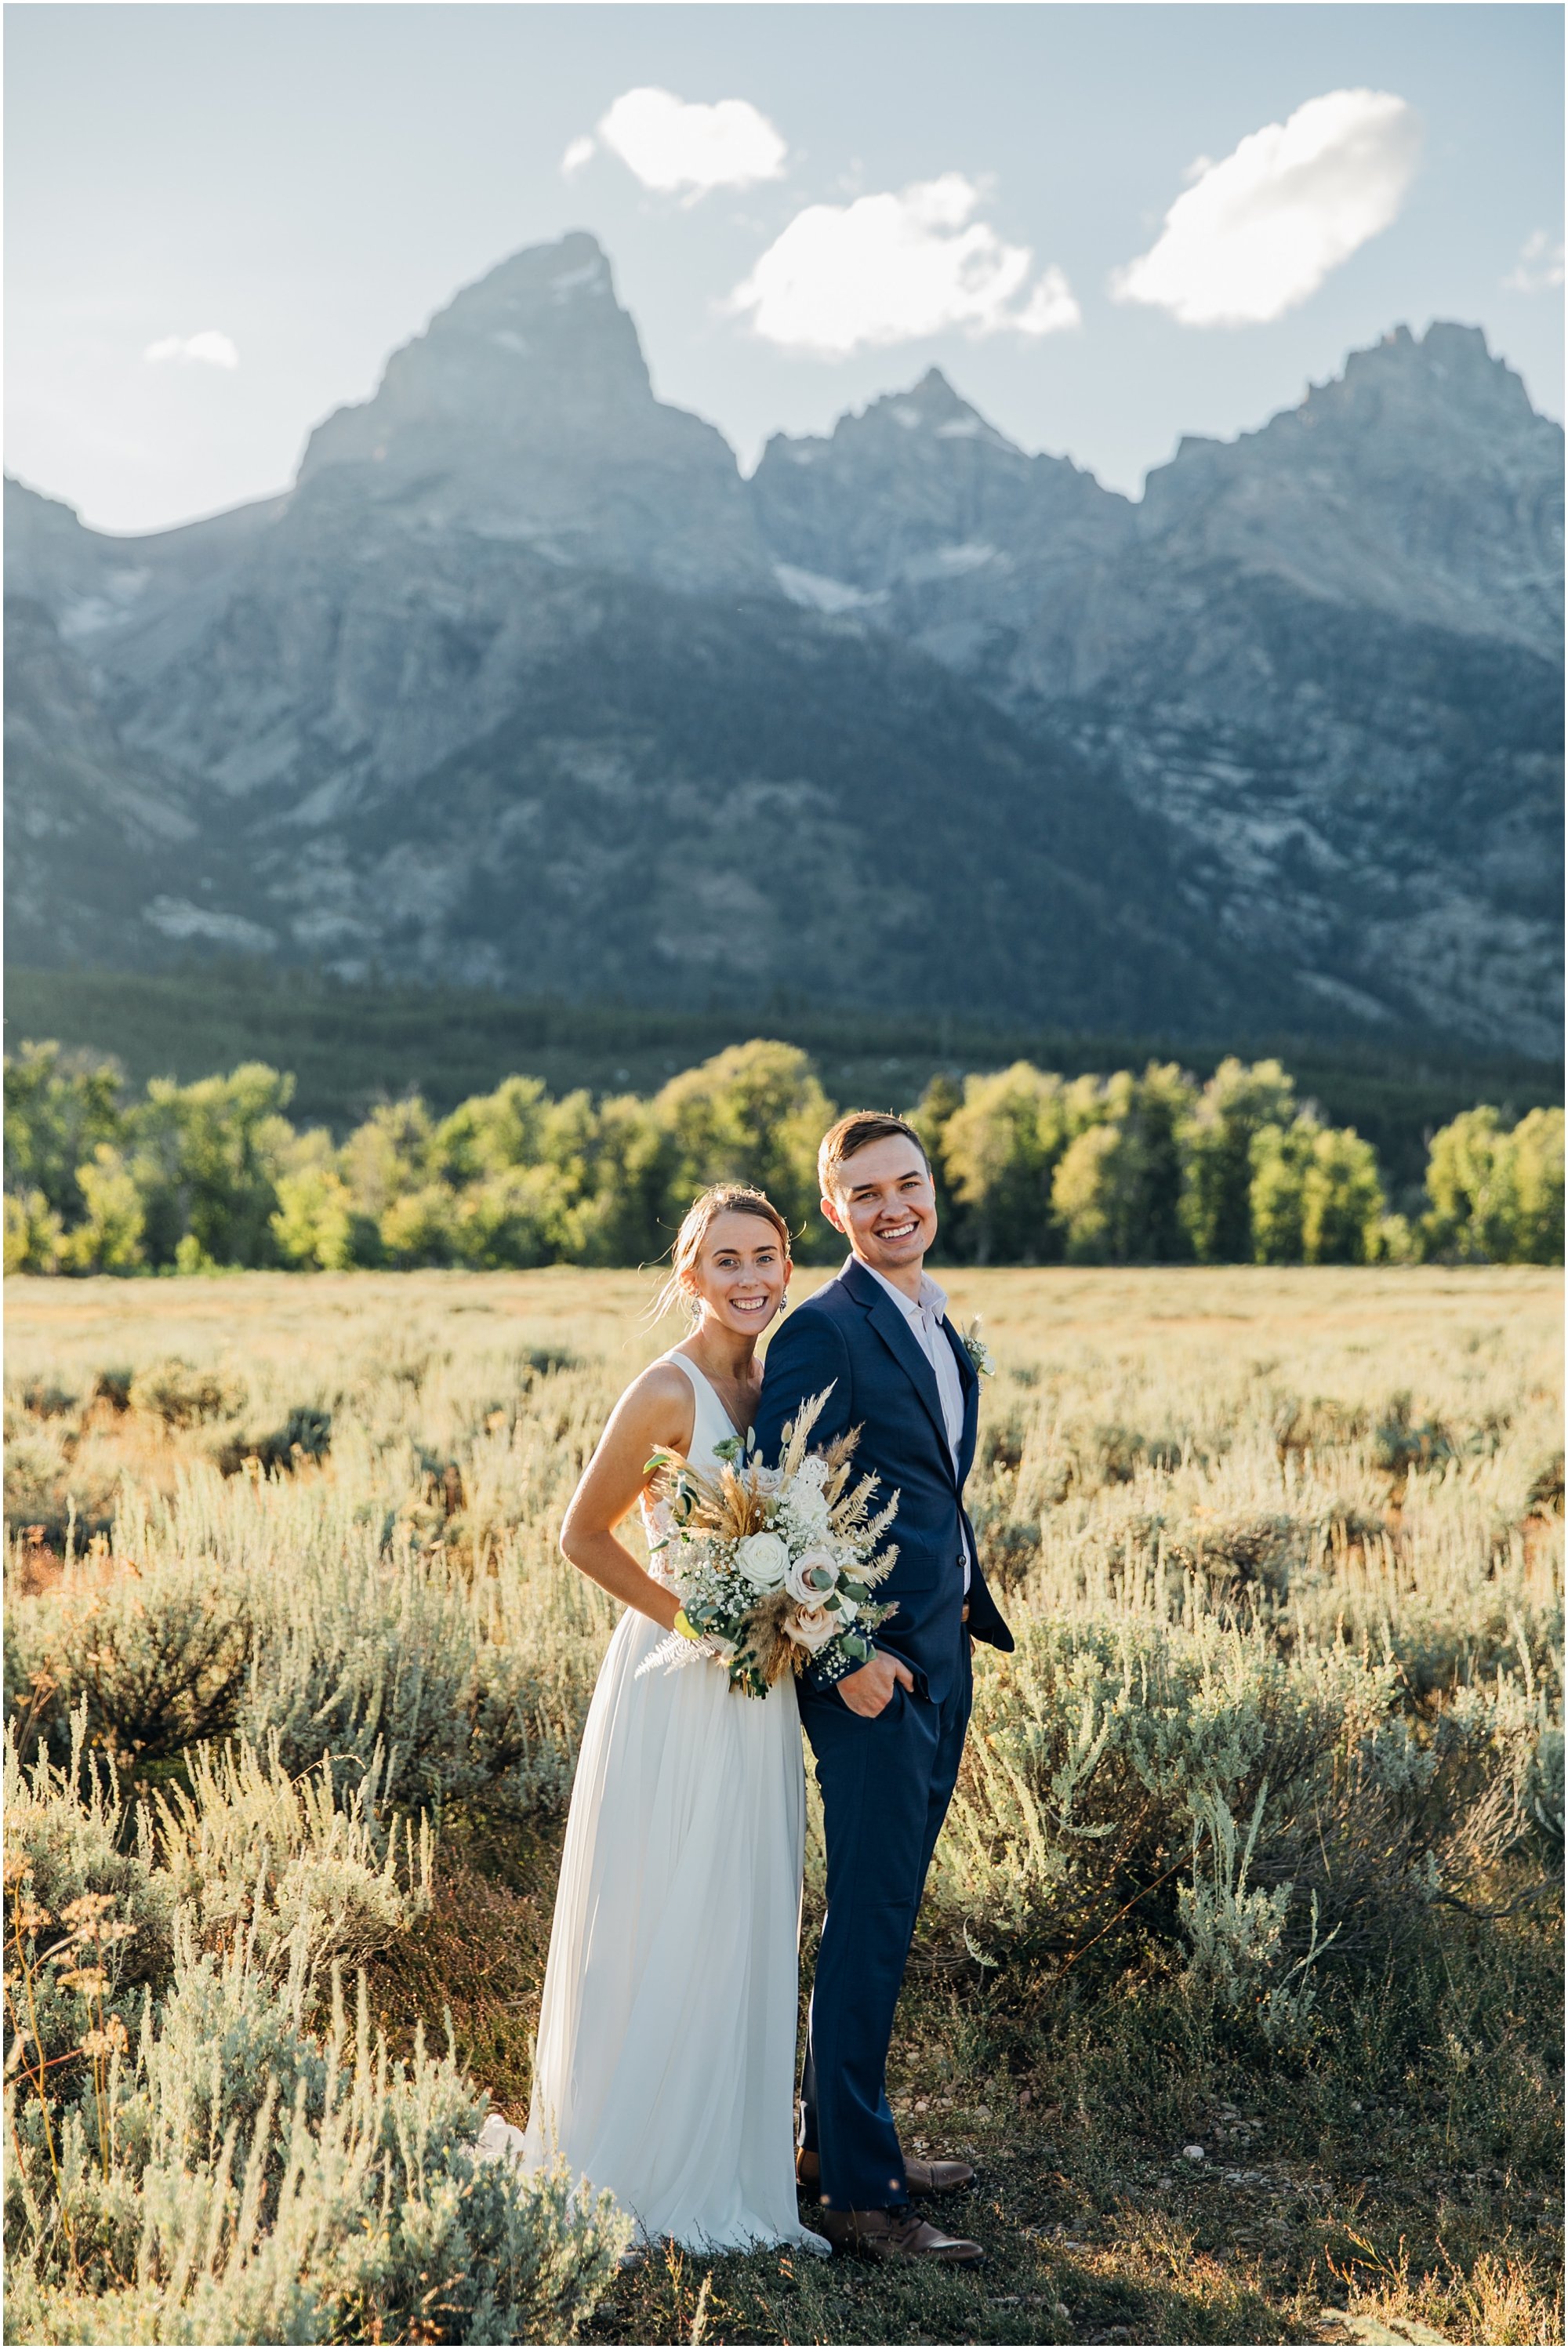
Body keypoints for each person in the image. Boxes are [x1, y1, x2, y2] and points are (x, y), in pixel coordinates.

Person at [489, 1184, 829, 2258]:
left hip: (759, 1687)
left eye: (766, 1257)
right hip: (678, 1675)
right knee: (666, 1902)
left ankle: (729, 2154)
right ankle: (633, 2158)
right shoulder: (667, 1389)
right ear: (690, 1274)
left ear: (787, 1264)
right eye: (725, 1261)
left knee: (739, 1903)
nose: (749, 1278)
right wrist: (701, 1619)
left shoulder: (779, 1381)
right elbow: (581, 1536)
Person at [751, 1112, 1014, 2266]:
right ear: (833, 1211)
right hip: (870, 1678)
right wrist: (844, 1657)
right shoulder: (825, 1330)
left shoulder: (932, 1315)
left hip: (940, 1652)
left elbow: (921, 1484)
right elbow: (766, 1513)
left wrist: (955, 1594)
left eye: (908, 1183)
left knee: (891, 1912)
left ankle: (837, 2144)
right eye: (867, 1193)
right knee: (866, 1917)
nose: (894, 1206)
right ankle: (860, 2197)